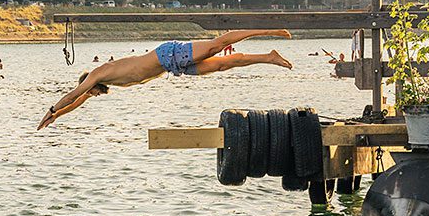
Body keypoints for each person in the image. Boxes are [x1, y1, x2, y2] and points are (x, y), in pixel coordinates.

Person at [37, 29, 294, 129]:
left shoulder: (97, 74)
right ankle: (268, 57)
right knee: (223, 65)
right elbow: (77, 102)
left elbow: (72, 95)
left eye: (90, 91)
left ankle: (269, 30)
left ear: (90, 83)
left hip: (168, 53)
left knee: (217, 46)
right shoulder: (108, 82)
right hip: (174, 67)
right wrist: (57, 116)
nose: (89, 95)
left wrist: (51, 109)